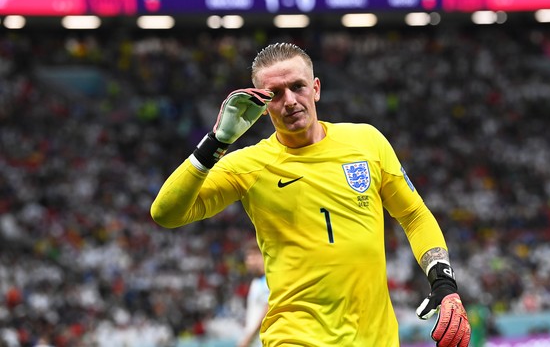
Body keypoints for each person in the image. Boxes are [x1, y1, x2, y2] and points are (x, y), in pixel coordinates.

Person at [151, 42, 471, 346]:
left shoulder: (366, 143)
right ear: (262, 107)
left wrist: (443, 282)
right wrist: (216, 143)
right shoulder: (248, 166)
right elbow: (166, 213)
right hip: (295, 338)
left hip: (376, 339)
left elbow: (413, 214)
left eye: (297, 87)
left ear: (315, 88)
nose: (289, 100)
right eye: (275, 94)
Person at [238, 240, 270, 347]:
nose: (248, 262)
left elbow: (268, 309)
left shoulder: (268, 281)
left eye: (252, 256)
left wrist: (248, 339)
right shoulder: (256, 282)